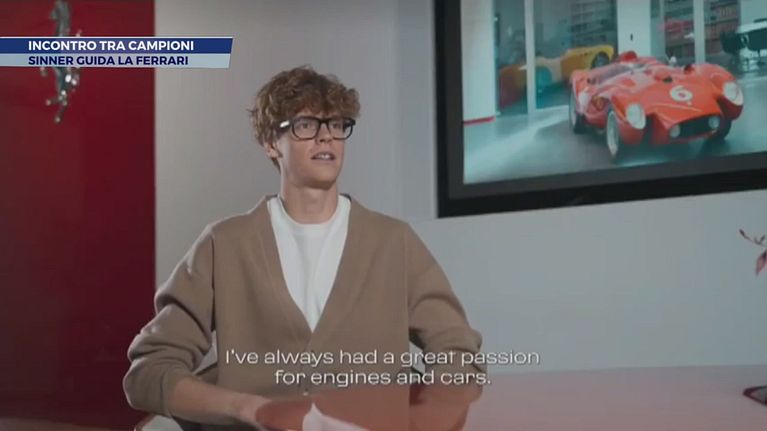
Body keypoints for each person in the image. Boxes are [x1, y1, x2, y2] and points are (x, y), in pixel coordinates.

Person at [123, 65, 484, 429]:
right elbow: (149, 373)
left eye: (336, 124)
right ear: (271, 143)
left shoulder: (394, 241)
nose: (326, 137)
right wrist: (248, 408)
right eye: (306, 125)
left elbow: (457, 354)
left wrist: (426, 422)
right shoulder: (224, 244)